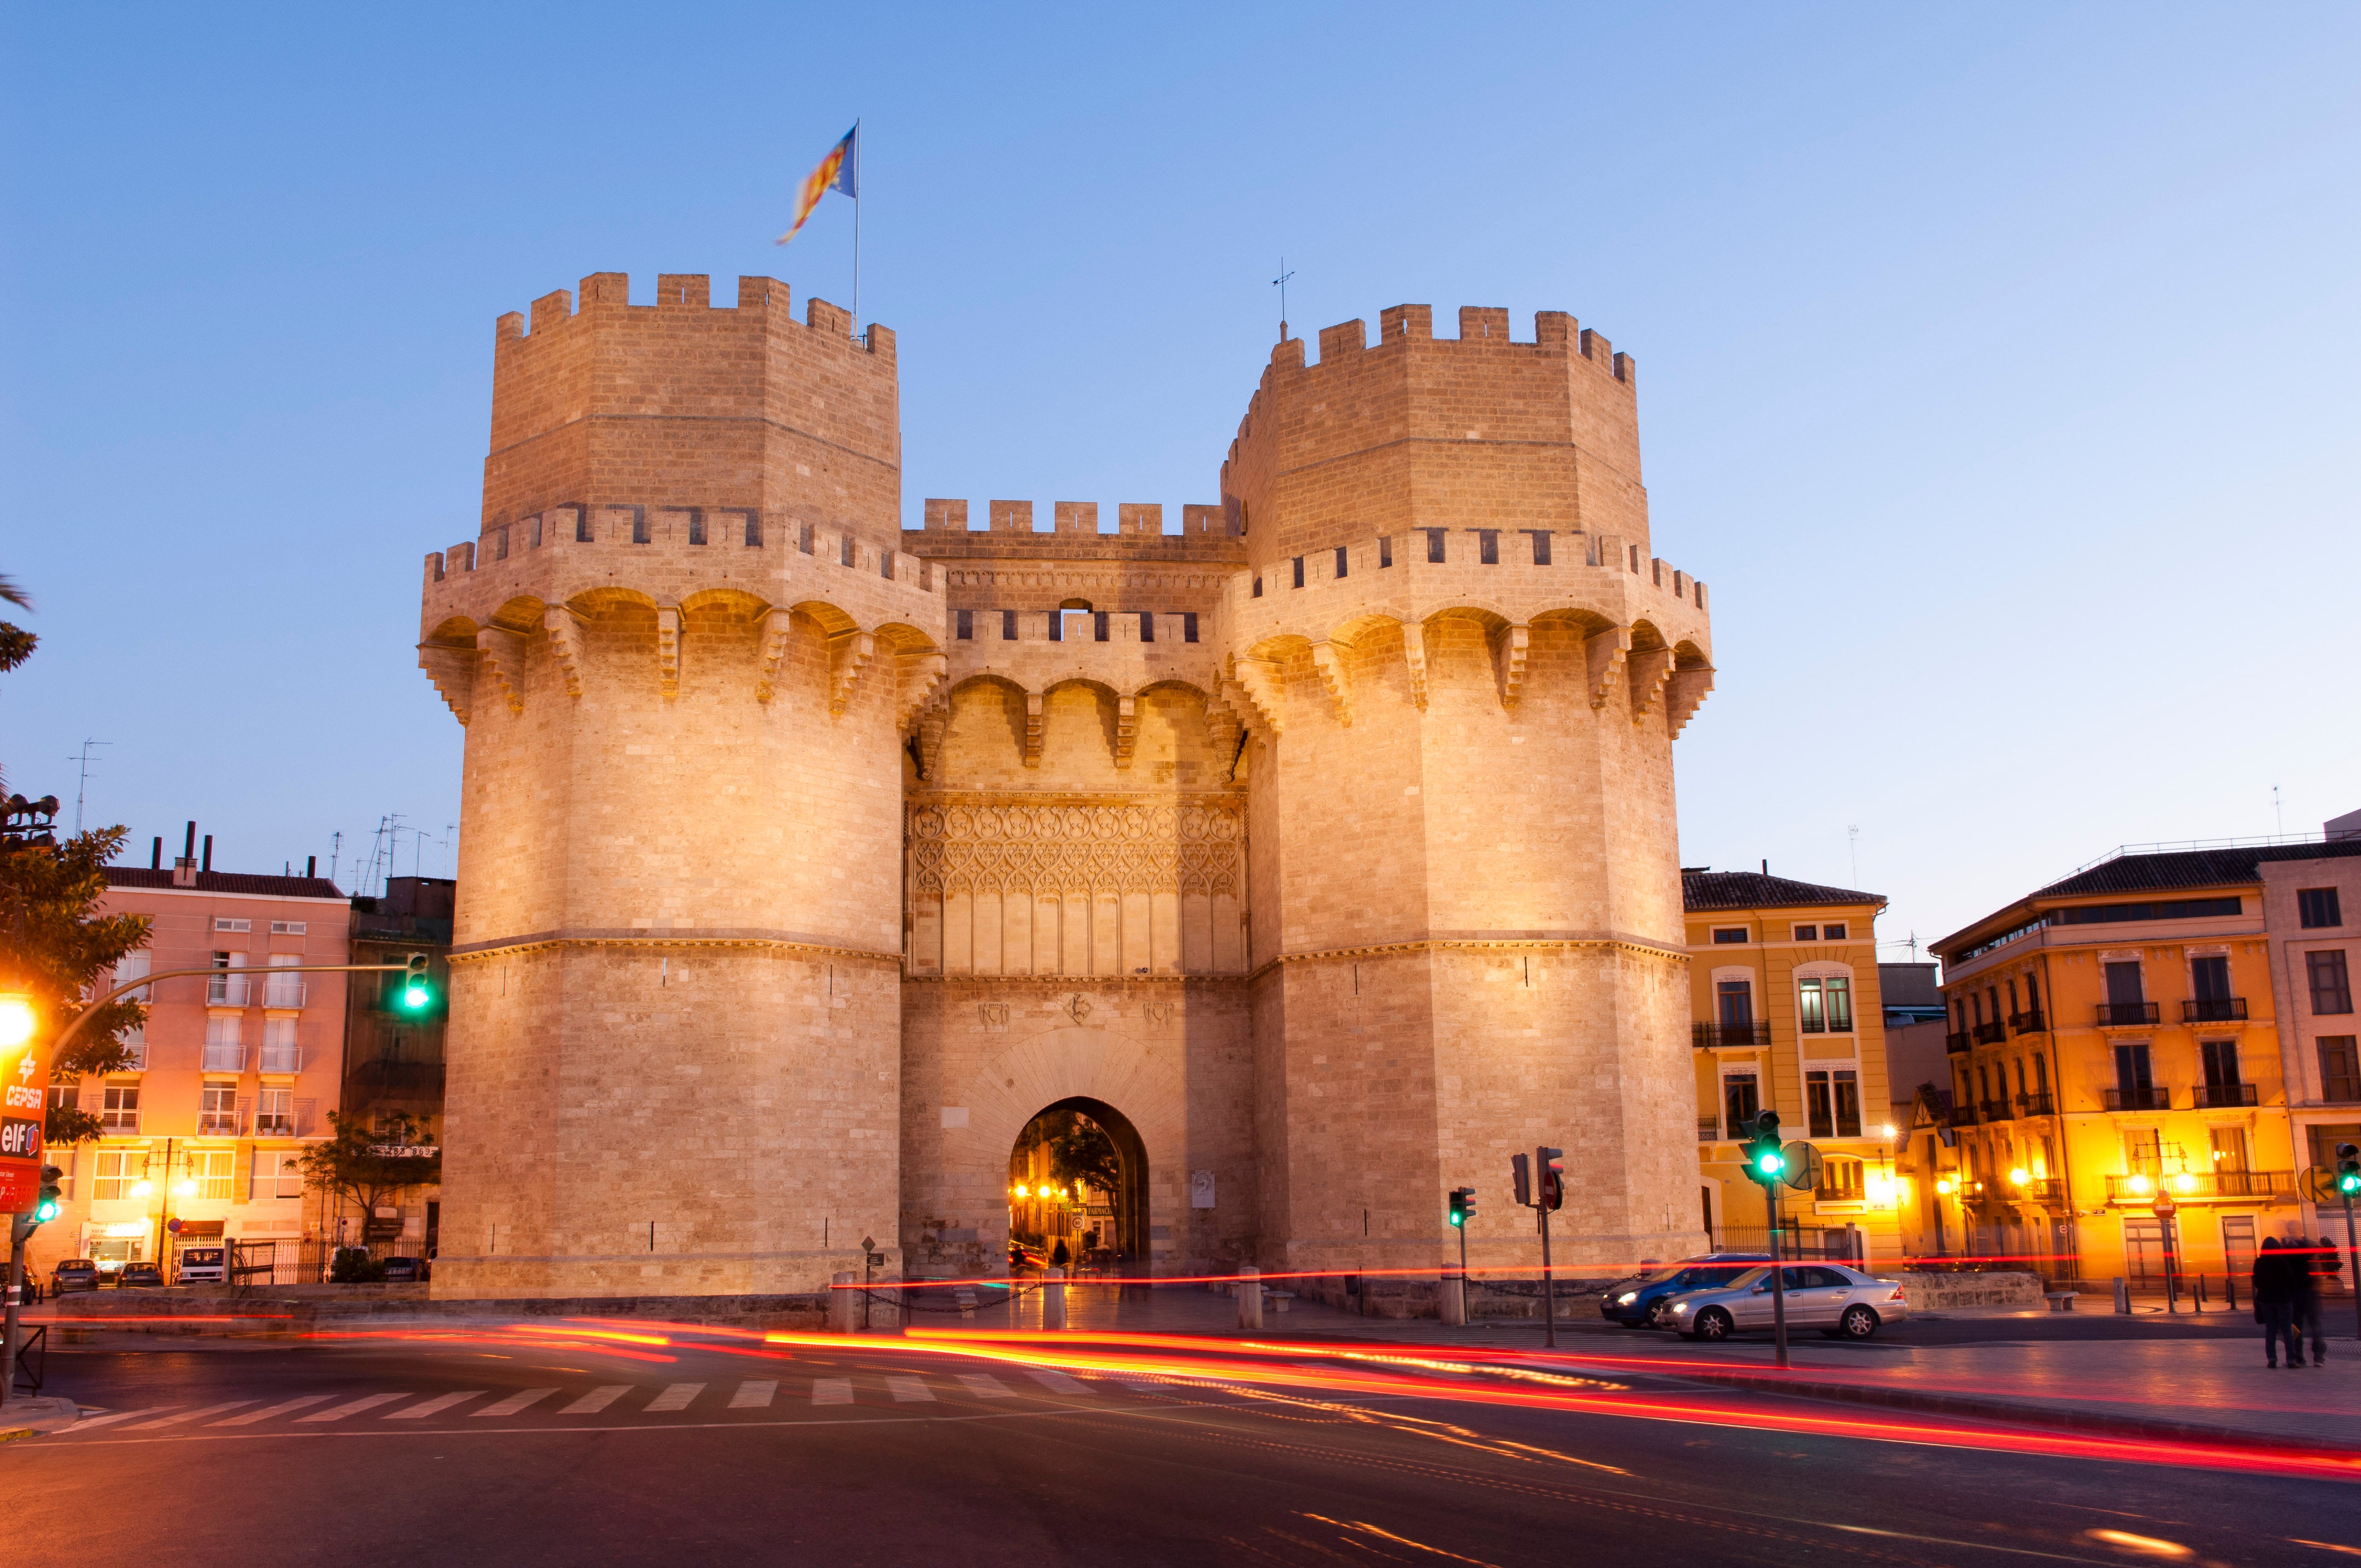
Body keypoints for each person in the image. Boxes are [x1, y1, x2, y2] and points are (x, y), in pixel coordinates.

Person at [2253, 1237, 2299, 1368]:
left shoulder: (2259, 1262)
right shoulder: (2281, 1261)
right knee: (2287, 1329)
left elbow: (2257, 1282)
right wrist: (2290, 1293)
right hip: (2283, 1298)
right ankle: (2291, 1360)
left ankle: (2272, 1359)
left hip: (2266, 1299)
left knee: (2271, 1329)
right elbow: (2291, 1280)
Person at [2294, 1237, 2333, 1366]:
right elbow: (2317, 1274)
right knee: (2315, 1327)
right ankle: (2318, 1358)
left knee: (2297, 1327)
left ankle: (2299, 1358)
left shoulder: (2291, 1254)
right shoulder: (2310, 1254)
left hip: (2297, 1294)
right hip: (2310, 1294)